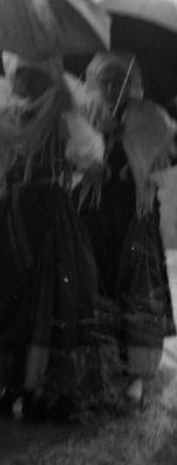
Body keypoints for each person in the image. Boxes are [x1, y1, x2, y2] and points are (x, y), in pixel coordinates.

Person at [0, 52, 104, 419]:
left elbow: (90, 156)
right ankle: (10, 382)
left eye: (35, 76)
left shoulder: (64, 112)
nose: (26, 83)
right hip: (9, 213)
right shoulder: (0, 112)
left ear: (49, 79)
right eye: (21, 76)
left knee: (49, 301)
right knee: (9, 298)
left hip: (49, 216)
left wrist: (71, 121)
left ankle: (44, 390)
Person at [79, 52, 176, 409]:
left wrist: (119, 135)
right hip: (97, 214)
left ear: (131, 84)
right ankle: (102, 367)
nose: (110, 88)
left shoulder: (150, 117)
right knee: (99, 284)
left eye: (117, 81)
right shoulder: (89, 114)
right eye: (104, 81)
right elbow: (79, 155)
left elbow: (153, 156)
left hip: (134, 216)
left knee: (136, 288)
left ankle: (136, 376)